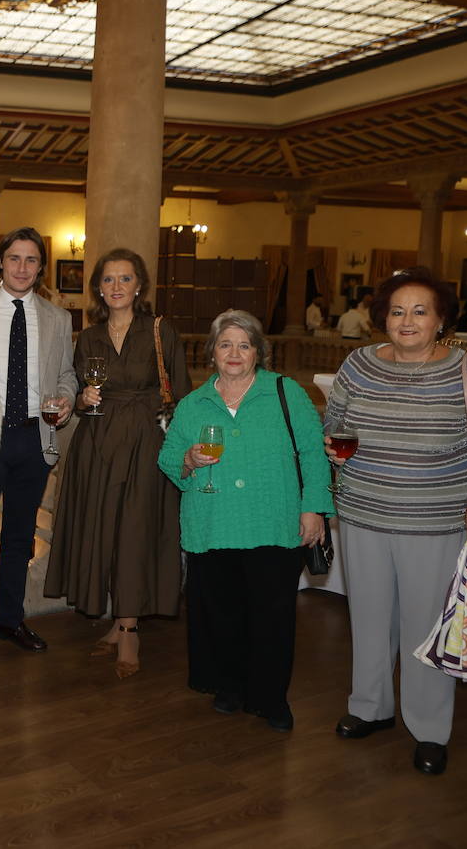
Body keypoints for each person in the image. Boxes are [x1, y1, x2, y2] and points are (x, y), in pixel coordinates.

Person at [324, 266, 467, 776]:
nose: (406, 321)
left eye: (419, 311)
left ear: (440, 320)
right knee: (368, 618)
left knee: (427, 625)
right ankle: (370, 706)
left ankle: (430, 728)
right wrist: (332, 449)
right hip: (363, 514)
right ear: (382, 318)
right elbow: (334, 422)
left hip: (435, 522)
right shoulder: (358, 365)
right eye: (397, 311)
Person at [157, 309, 330, 729]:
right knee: (223, 615)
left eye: (244, 345)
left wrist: (314, 508)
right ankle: (230, 686)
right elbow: (167, 459)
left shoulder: (286, 393)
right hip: (213, 524)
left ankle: (271, 699)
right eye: (225, 344)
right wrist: (187, 459)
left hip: (275, 522)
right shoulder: (193, 404)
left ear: (258, 352)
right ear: (212, 352)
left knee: (273, 618)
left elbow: (313, 453)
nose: (234, 353)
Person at [45, 248, 188, 678]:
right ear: (98, 289)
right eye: (108, 280)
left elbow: (181, 394)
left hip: (146, 444)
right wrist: (83, 399)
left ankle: (128, 629)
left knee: (135, 533)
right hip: (98, 445)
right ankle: (120, 619)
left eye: (125, 278)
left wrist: (179, 449)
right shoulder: (89, 337)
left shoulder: (160, 330)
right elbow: (79, 393)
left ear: (139, 285)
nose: (117, 287)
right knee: (105, 533)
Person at [0, 227, 76, 657]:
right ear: (0, 263)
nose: (22, 268)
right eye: (14, 258)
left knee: (20, 537)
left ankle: (10, 620)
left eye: (31, 260)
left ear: (41, 267)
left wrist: (67, 398)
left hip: (34, 438)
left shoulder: (59, 319)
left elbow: (67, 374)